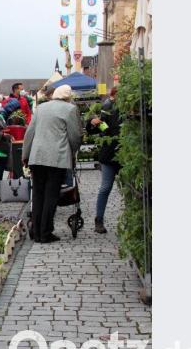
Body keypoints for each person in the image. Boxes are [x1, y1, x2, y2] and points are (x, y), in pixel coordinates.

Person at [23, 85, 82, 243]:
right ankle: (45, 232)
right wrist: (73, 153)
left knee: (38, 195)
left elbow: (29, 133)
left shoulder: (41, 108)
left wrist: (25, 155)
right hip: (57, 158)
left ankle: (36, 231)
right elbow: (75, 136)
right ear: (68, 97)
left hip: (37, 157)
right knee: (51, 196)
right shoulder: (70, 109)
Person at [87, 87, 121, 234]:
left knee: (131, 189)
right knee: (106, 187)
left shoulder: (128, 109)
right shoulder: (107, 108)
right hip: (109, 155)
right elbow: (100, 129)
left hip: (125, 154)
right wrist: (92, 123)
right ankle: (99, 219)